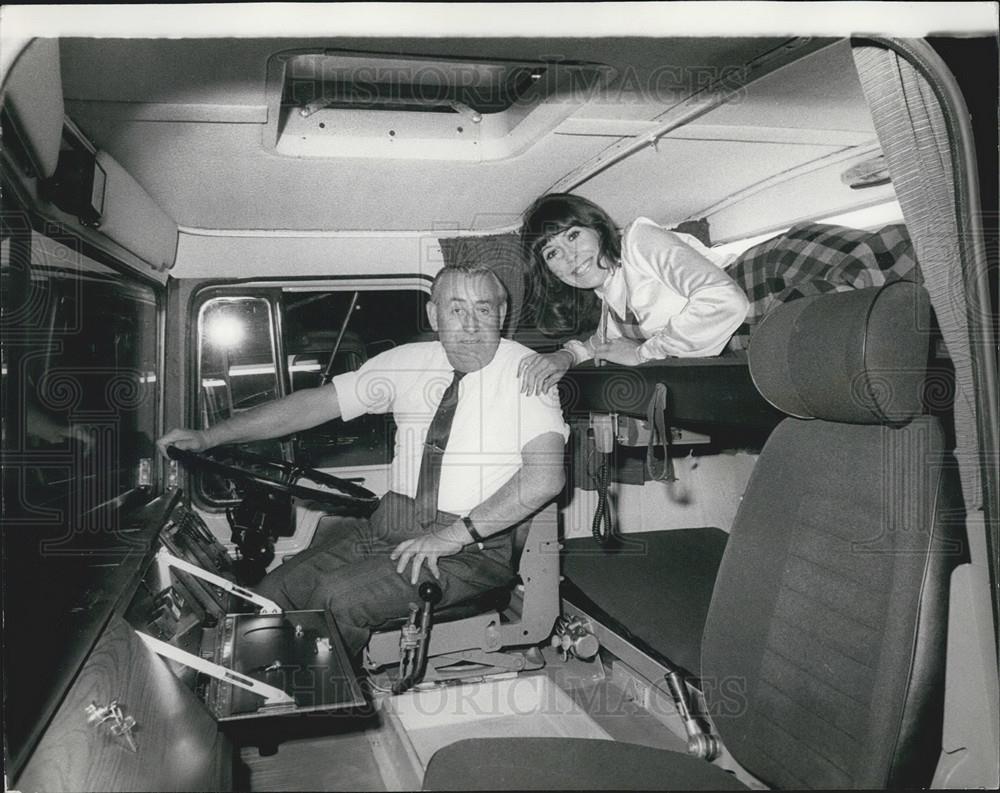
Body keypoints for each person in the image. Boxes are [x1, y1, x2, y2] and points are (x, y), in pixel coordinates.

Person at [156, 263, 568, 659]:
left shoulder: (526, 374)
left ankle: (310, 704)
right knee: (271, 593)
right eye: (457, 309)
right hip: (392, 525)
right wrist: (209, 437)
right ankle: (256, 696)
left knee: (336, 598)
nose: (472, 326)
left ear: (503, 312)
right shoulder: (409, 362)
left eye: (484, 309)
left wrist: (451, 537)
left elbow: (545, 479)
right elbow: (312, 407)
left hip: (469, 549)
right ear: (434, 313)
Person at [517, 193, 750, 395]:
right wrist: (564, 356)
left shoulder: (638, 239)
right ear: (550, 273)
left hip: (768, 289)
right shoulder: (609, 300)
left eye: (573, 236)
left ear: (597, 228)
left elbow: (725, 299)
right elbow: (597, 345)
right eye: (552, 253)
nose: (570, 256)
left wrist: (642, 354)